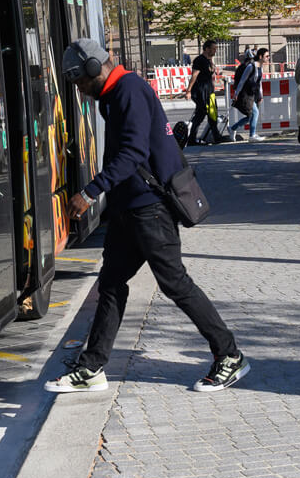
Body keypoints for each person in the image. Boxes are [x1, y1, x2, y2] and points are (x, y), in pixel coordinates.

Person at [45, 38, 248, 394]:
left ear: (93, 69)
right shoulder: (113, 95)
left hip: (150, 208)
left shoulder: (129, 91)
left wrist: (91, 192)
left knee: (175, 283)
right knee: (110, 284)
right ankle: (92, 368)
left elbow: (133, 153)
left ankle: (230, 355)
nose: (80, 89)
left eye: (79, 81)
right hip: (129, 208)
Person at [228, 48, 267, 142]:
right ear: (260, 56)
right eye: (267, 56)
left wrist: (260, 95)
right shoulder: (251, 66)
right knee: (255, 113)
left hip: (253, 94)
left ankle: (232, 128)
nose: (268, 58)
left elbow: (259, 82)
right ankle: (252, 135)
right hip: (245, 94)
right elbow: (242, 81)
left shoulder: (260, 67)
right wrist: (236, 93)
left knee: (250, 116)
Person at [187, 40, 221, 146]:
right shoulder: (199, 60)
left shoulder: (209, 60)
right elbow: (194, 75)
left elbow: (211, 74)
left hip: (209, 91)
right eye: (213, 48)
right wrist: (188, 91)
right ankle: (192, 139)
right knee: (201, 114)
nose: (215, 51)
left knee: (212, 113)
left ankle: (216, 137)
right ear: (207, 49)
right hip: (200, 91)